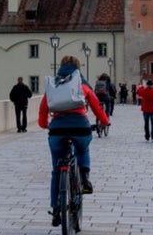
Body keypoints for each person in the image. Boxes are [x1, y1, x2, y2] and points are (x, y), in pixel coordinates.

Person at [38, 55, 110, 225]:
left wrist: (45, 125)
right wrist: (105, 122)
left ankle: (56, 209)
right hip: (80, 127)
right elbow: (96, 105)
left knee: (57, 170)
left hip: (57, 130)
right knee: (83, 148)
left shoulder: (53, 86)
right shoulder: (81, 85)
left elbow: (42, 112)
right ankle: (84, 178)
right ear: (78, 69)